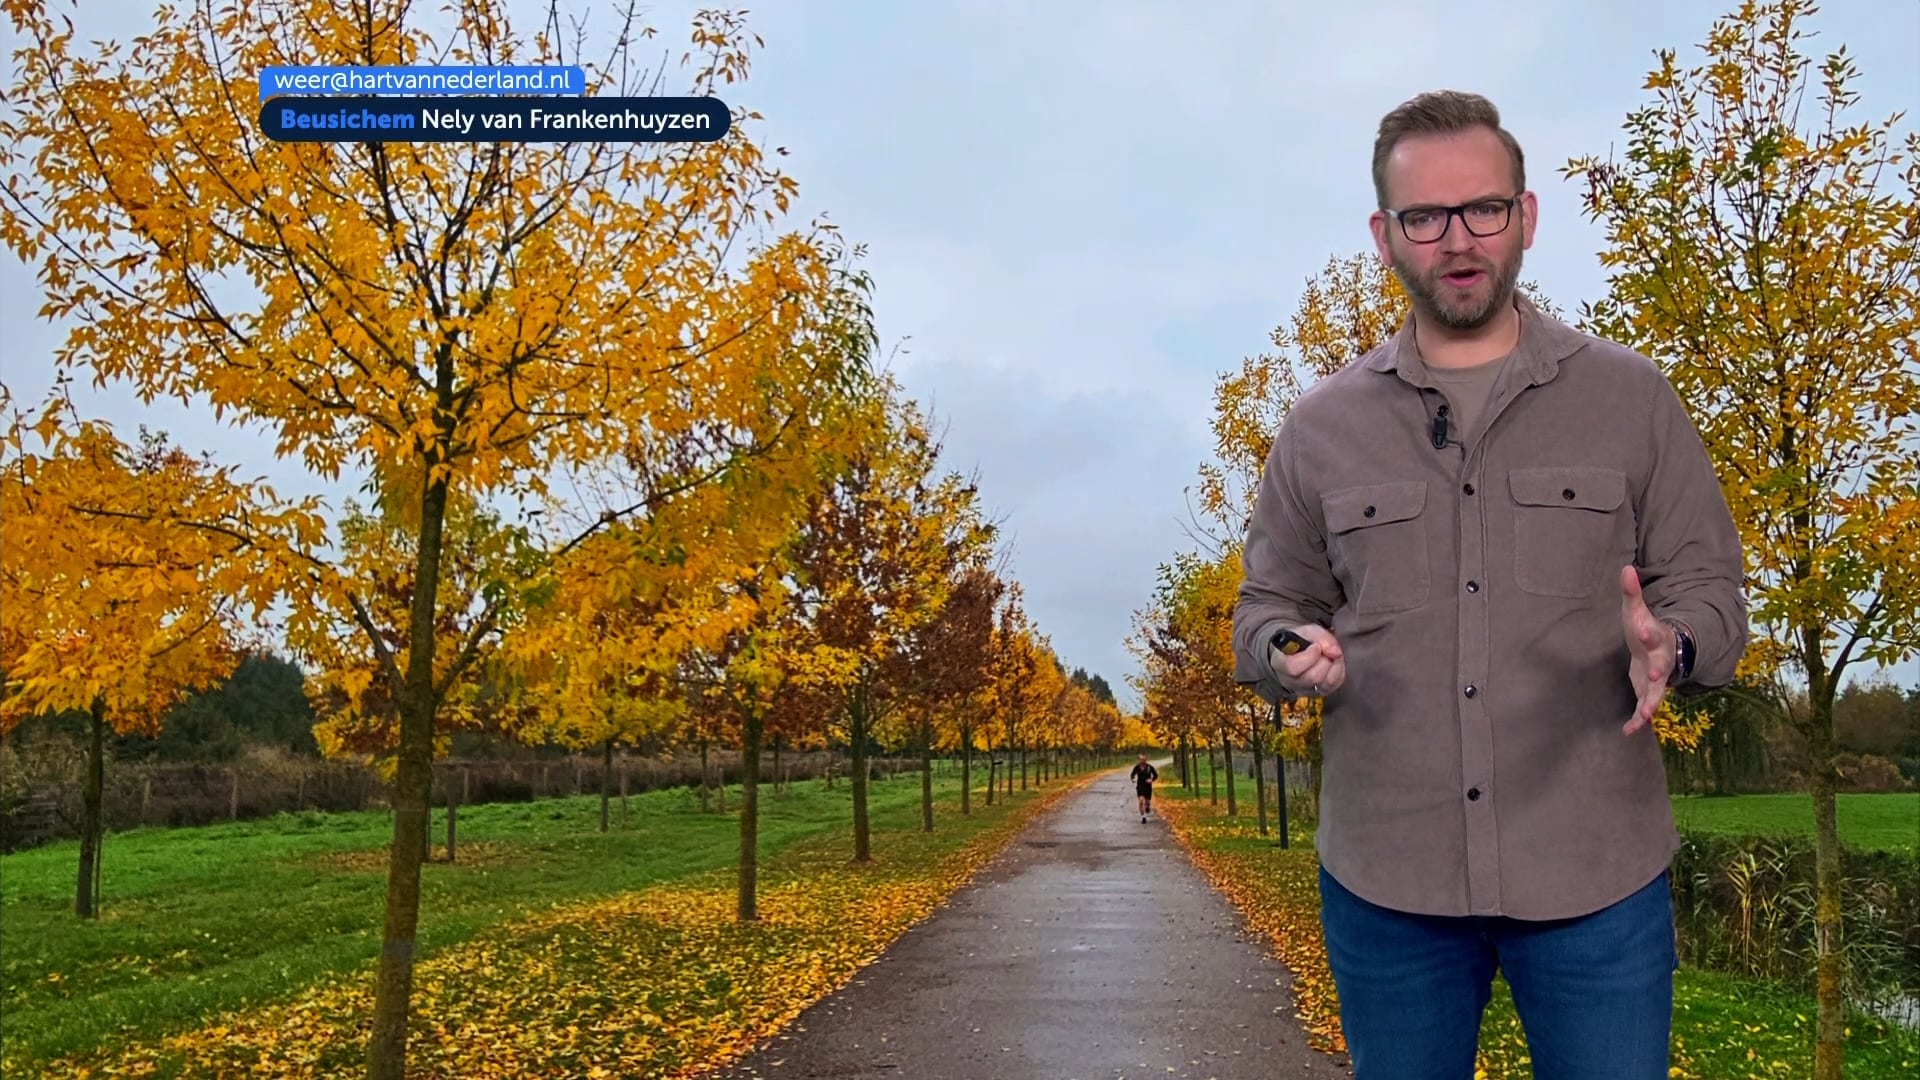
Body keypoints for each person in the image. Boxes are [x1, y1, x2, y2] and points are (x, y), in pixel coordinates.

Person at [1230, 89, 1748, 1078]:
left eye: (1484, 209)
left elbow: (1713, 593)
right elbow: (1266, 612)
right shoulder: (1318, 428)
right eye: (1425, 218)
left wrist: (1672, 645)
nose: (1457, 239)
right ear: (1385, 236)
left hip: (1598, 883)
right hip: (1390, 888)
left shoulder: (1633, 402)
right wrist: (1289, 652)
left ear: (1527, 216)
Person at [1129, 754, 1158, 822]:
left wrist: (1151, 780)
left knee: (1147, 802)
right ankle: (1143, 817)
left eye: (1144, 760)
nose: (1143, 761)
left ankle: (1147, 807)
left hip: (1147, 787)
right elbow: (1132, 774)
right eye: (1141, 759)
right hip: (1140, 786)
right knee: (1141, 801)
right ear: (1140, 760)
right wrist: (1133, 779)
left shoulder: (1149, 767)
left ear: (1146, 760)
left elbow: (1156, 775)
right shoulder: (1137, 767)